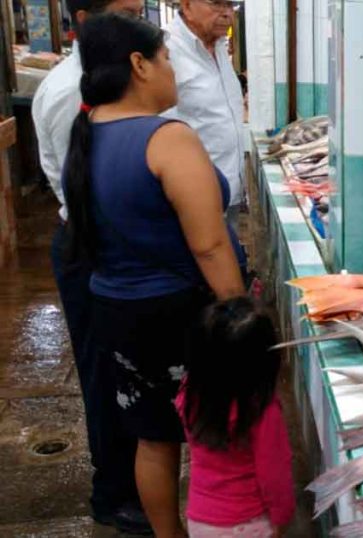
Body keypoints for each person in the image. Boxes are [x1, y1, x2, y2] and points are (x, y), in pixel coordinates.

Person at [64, 13, 247, 537]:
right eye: (166, 60)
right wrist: (238, 312)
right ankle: (228, 527)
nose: (172, 71)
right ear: (139, 66)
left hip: (116, 309)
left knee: (153, 436)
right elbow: (209, 244)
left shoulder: (90, 130)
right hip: (177, 313)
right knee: (220, 433)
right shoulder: (168, 139)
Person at [31, 0, 151, 533]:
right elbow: (89, 191)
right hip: (92, 247)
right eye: (126, 11)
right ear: (85, 20)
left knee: (127, 371)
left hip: (110, 242)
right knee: (103, 374)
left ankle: (132, 483)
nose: (138, 21)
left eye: (141, 10)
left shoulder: (112, 77)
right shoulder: (68, 93)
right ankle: (113, 494)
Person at [177, 297, 295, 537]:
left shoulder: (188, 394)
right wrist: (283, 517)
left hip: (201, 520)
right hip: (248, 523)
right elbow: (274, 475)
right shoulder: (262, 411)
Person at [163, 0, 248, 229]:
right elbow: (160, 132)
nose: (227, 14)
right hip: (193, 196)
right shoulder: (165, 51)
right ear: (187, 5)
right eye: (217, 4)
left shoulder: (219, 45)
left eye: (231, 5)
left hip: (229, 186)